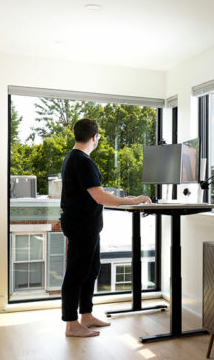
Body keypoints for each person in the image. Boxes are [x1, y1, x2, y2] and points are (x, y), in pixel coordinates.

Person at [60, 118, 152, 337]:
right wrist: (134, 200)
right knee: (76, 273)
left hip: (86, 225)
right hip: (81, 225)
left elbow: (93, 193)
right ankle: (71, 324)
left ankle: (87, 315)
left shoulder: (73, 158)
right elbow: (100, 197)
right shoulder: (83, 161)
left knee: (91, 270)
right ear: (95, 137)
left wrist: (124, 198)